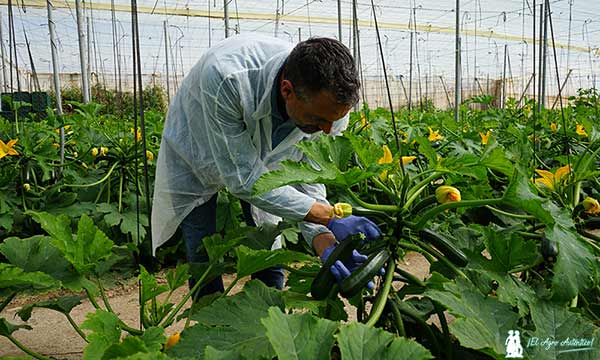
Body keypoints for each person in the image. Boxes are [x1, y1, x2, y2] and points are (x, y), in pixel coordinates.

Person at [151, 34, 381, 297]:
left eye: (333, 121)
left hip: (261, 163)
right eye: (318, 120)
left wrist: (323, 239)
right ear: (287, 90)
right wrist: (329, 216)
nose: (328, 130)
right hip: (197, 150)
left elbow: (309, 177)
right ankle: (210, 326)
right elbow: (245, 178)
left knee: (270, 248)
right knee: (203, 253)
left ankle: (268, 320)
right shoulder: (226, 76)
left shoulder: (330, 107)